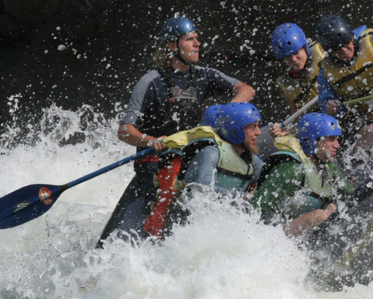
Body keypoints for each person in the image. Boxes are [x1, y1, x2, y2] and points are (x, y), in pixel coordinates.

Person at [97, 15, 255, 247]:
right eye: (190, 39)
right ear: (172, 46)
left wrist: (227, 113)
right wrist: (151, 140)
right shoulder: (150, 81)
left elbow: (246, 89)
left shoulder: (204, 75)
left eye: (197, 39)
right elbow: (124, 130)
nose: (197, 44)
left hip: (189, 163)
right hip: (154, 163)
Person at [142, 103, 265, 238]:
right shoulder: (211, 151)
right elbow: (201, 190)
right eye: (253, 127)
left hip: (223, 222)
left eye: (258, 126)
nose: (258, 132)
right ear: (235, 129)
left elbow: (262, 190)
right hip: (185, 220)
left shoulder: (254, 161)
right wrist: (242, 197)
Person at [253, 113, 355, 238]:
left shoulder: (330, 168)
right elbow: (256, 210)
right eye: (331, 139)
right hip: (276, 234)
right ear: (312, 140)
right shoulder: (291, 169)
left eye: (337, 139)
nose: (337, 145)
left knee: (335, 208)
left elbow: (351, 196)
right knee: (320, 215)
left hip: (309, 235)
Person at [313, 14, 373, 152]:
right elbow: (326, 103)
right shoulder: (325, 71)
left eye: (346, 44)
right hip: (366, 119)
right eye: (337, 49)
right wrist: (329, 107)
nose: (344, 51)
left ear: (351, 38)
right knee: (365, 137)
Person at [270, 22, 325, 114]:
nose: (294, 60)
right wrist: (284, 129)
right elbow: (298, 119)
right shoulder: (288, 84)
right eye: (288, 57)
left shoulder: (325, 55)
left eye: (296, 53)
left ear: (305, 47)